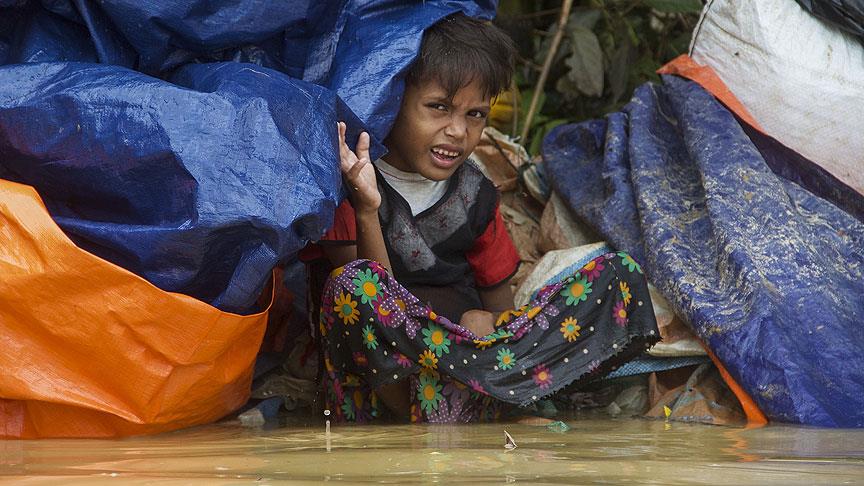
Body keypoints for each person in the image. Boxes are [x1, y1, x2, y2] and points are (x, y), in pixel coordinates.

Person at [307, 13, 659, 423]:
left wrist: (487, 330)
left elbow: (502, 309)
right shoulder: (348, 181)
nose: (458, 131)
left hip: (473, 362)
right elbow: (375, 302)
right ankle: (481, 407)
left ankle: (481, 399)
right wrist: (367, 207)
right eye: (439, 108)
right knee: (354, 284)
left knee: (618, 273)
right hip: (389, 380)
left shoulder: (477, 194)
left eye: (475, 114)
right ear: (394, 99)